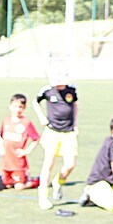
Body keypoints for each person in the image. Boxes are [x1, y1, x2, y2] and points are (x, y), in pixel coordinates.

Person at [34, 78, 79, 207]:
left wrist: (75, 123)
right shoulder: (47, 90)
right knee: (48, 163)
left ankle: (58, 181)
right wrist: (41, 117)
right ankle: (43, 197)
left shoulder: (72, 89)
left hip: (68, 133)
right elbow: (35, 102)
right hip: (52, 132)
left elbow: (75, 105)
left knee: (70, 165)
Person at [0, 94, 40, 192]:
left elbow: (36, 138)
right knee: (7, 185)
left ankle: (36, 181)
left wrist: (27, 151)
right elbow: (1, 136)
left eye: (20, 107)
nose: (17, 109)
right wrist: (1, 148)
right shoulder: (6, 121)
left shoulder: (26, 122)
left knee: (19, 187)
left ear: (24, 108)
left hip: (18, 162)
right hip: (6, 161)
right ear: (10, 106)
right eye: (15, 106)